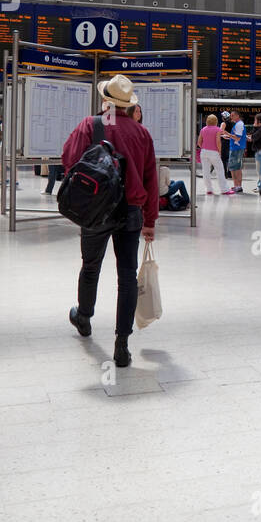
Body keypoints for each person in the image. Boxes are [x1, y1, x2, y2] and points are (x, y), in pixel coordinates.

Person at [63, 75, 158, 368]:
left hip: (95, 209)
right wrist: (150, 220)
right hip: (130, 210)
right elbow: (150, 179)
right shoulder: (141, 133)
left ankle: (84, 318)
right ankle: (122, 344)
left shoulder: (89, 125)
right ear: (128, 104)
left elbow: (69, 160)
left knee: (90, 266)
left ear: (106, 100)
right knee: (127, 275)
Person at [197, 113, 230, 196]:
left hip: (204, 152)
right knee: (220, 170)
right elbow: (218, 142)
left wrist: (204, 148)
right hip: (214, 152)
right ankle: (224, 189)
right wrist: (219, 151)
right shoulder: (217, 129)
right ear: (216, 121)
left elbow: (199, 142)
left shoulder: (203, 129)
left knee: (206, 171)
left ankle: (209, 189)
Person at [221, 111, 248, 194]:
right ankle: (238, 186)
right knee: (237, 168)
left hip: (236, 148)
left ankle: (237, 186)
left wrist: (227, 134)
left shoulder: (239, 125)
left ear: (237, 115)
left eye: (232, 115)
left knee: (233, 168)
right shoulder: (239, 124)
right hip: (238, 147)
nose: (231, 117)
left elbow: (237, 138)